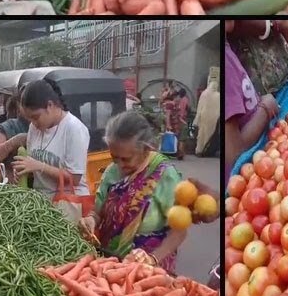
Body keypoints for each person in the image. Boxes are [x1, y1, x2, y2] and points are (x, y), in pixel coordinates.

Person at [77, 112, 217, 266]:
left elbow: (179, 231)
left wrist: (152, 259)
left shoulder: (164, 176)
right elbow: (98, 212)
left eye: (126, 159)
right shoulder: (111, 171)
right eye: (114, 157)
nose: (119, 164)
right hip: (109, 262)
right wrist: (91, 220)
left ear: (144, 149)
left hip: (150, 269)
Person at [223, 20, 288, 184]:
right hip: (261, 115)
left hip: (265, 106)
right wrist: (265, 109)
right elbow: (233, 154)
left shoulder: (228, 59)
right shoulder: (228, 67)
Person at [9, 78, 90, 198]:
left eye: (36, 117)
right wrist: (25, 171)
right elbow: (34, 167)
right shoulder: (34, 128)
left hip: (69, 204)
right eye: (29, 119)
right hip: (43, 202)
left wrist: (40, 166)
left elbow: (75, 179)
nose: (33, 123)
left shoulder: (74, 129)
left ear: (50, 105)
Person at [0, 94, 31, 182]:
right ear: (18, 105)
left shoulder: (49, 126)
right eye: (25, 103)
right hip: (12, 185)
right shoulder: (11, 126)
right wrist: (13, 142)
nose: (30, 108)